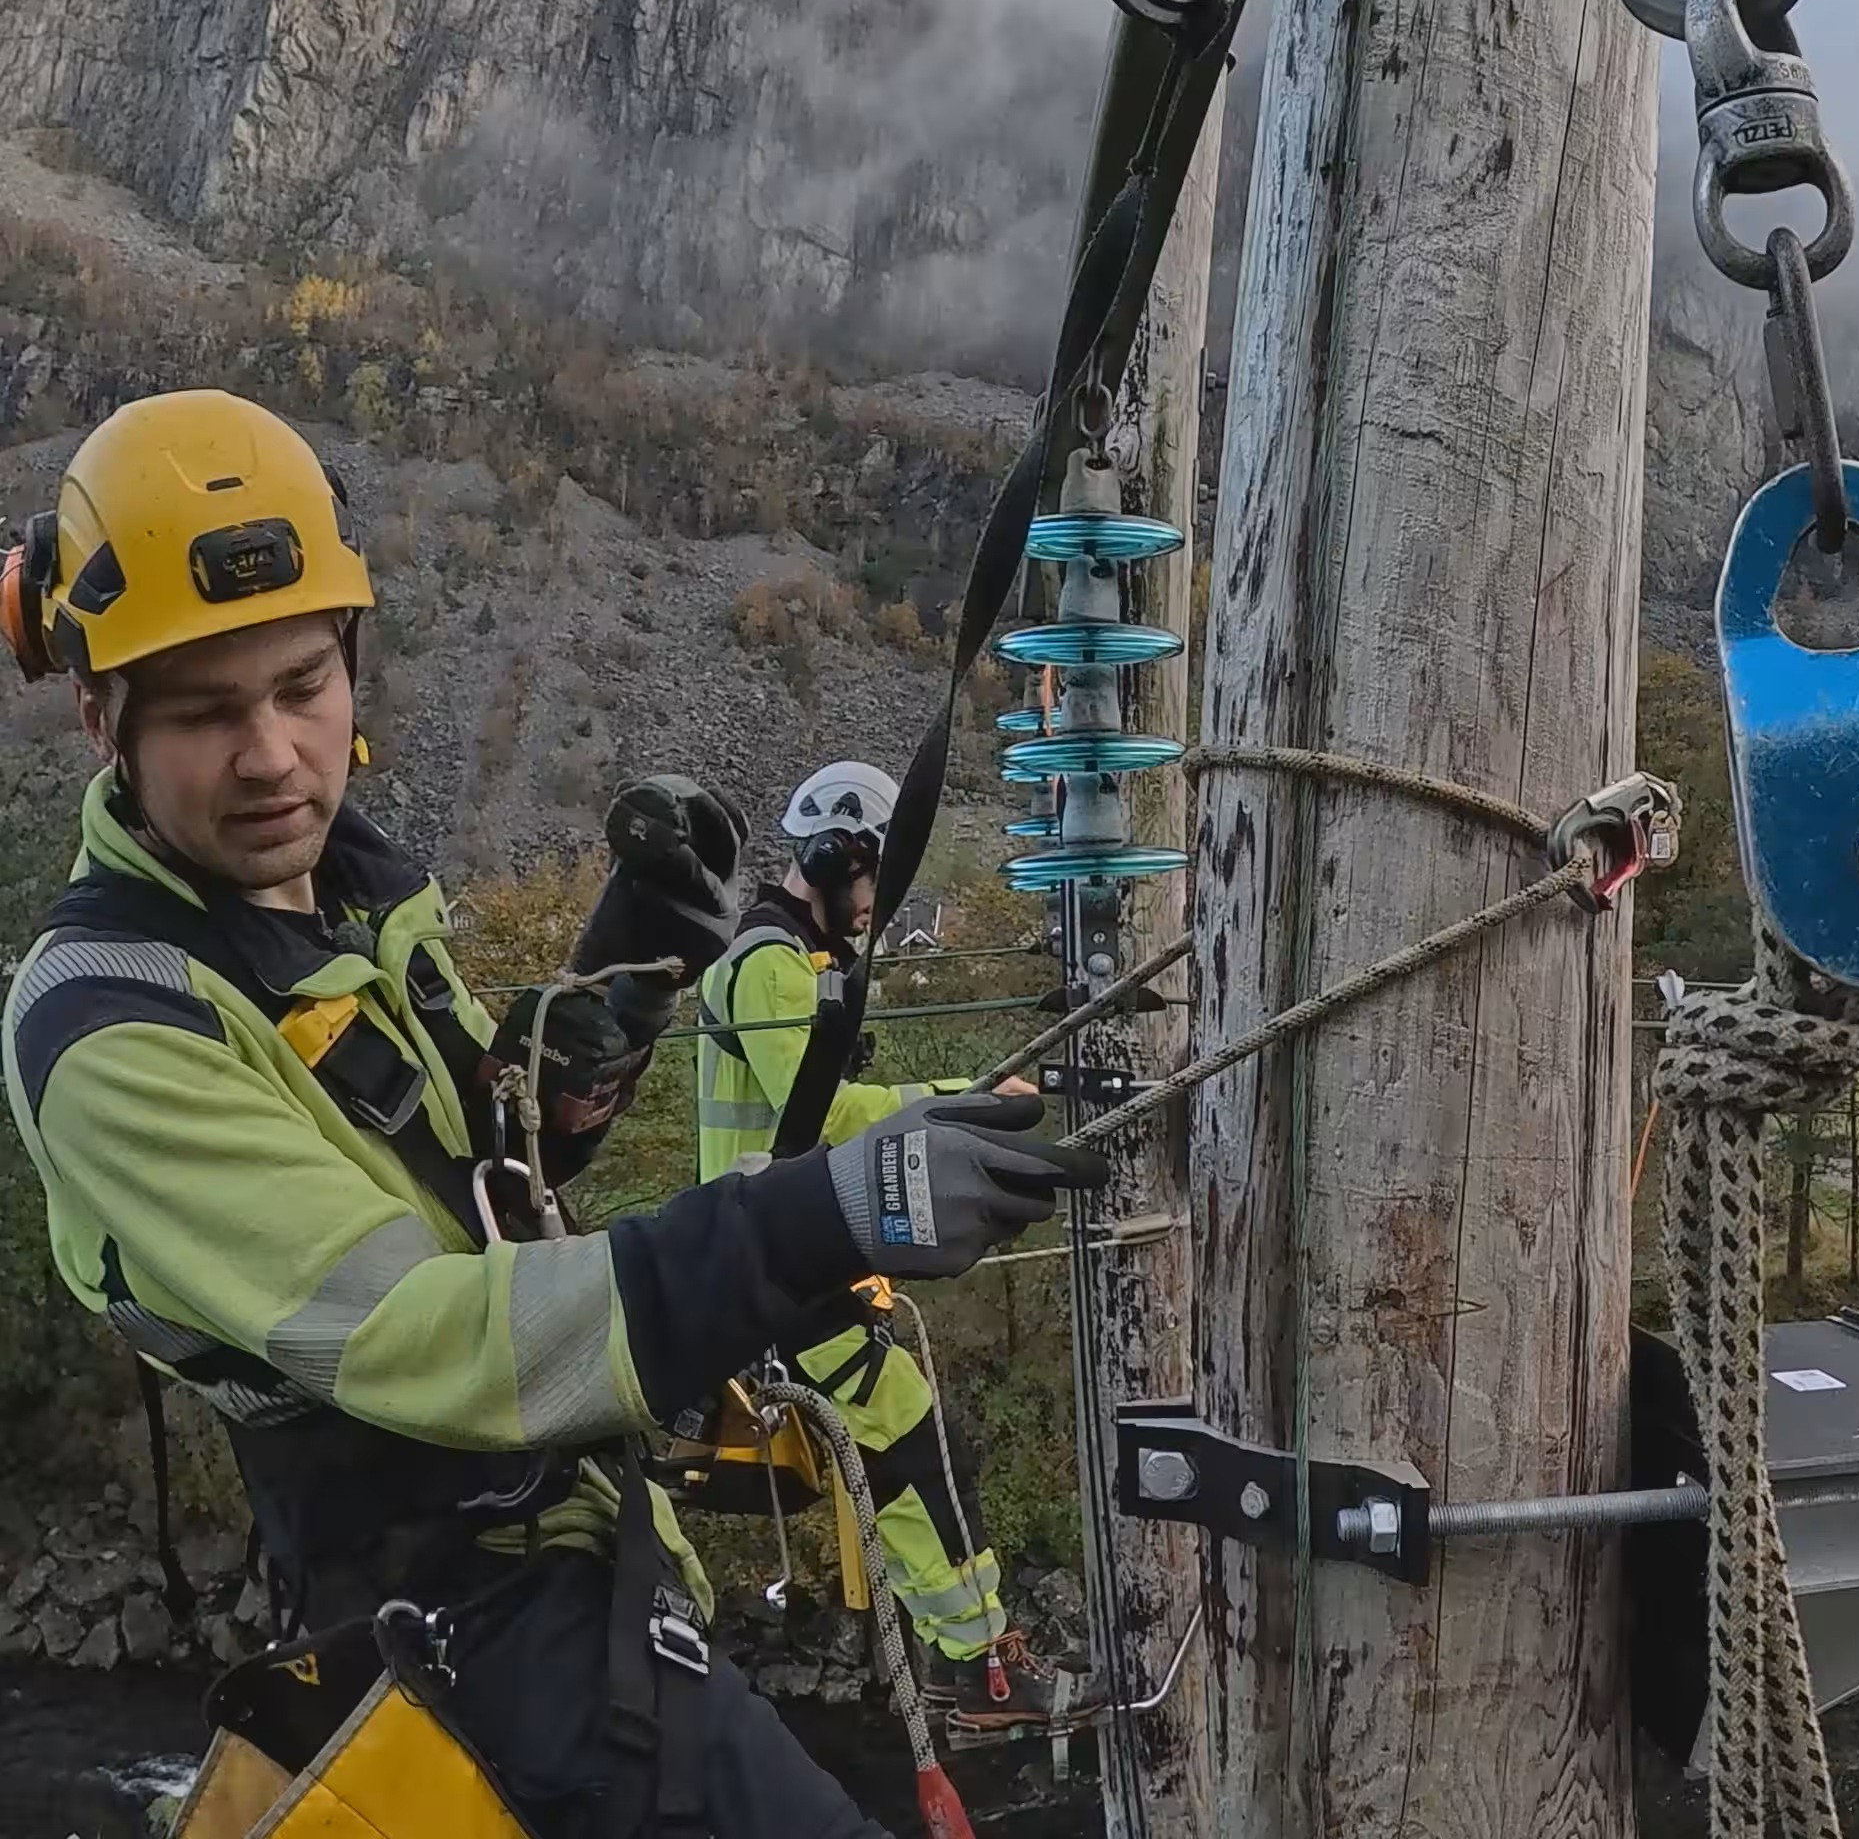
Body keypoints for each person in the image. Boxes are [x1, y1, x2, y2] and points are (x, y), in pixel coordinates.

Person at [0, 389, 1100, 1837]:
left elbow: (474, 1162)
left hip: (587, 1583)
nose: (272, 754)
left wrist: (599, 1001)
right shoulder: (106, 1026)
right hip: (470, 1646)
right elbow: (429, 1333)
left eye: (302, 687)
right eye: (207, 711)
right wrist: (825, 1214)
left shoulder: (341, 899)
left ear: (352, 668)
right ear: (100, 717)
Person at [690, 759, 1066, 1727]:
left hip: (787, 1247)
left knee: (918, 1441)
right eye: (870, 881)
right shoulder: (763, 968)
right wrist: (958, 1106)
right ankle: (975, 1663)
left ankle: (972, 1655)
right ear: (832, 859)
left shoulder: (805, 968)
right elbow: (823, 1111)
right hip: (763, 1251)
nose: (874, 909)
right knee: (909, 1446)